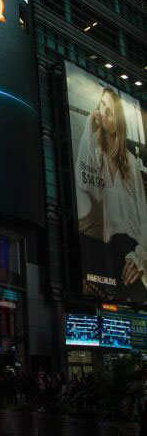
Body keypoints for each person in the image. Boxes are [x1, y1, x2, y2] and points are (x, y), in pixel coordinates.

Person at [75, 87, 147, 292]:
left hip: (133, 251)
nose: (104, 112)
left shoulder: (131, 162)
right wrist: (89, 131)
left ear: (119, 120)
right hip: (107, 250)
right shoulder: (95, 152)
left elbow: (144, 217)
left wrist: (140, 258)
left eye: (111, 110)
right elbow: (83, 181)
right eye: (102, 104)